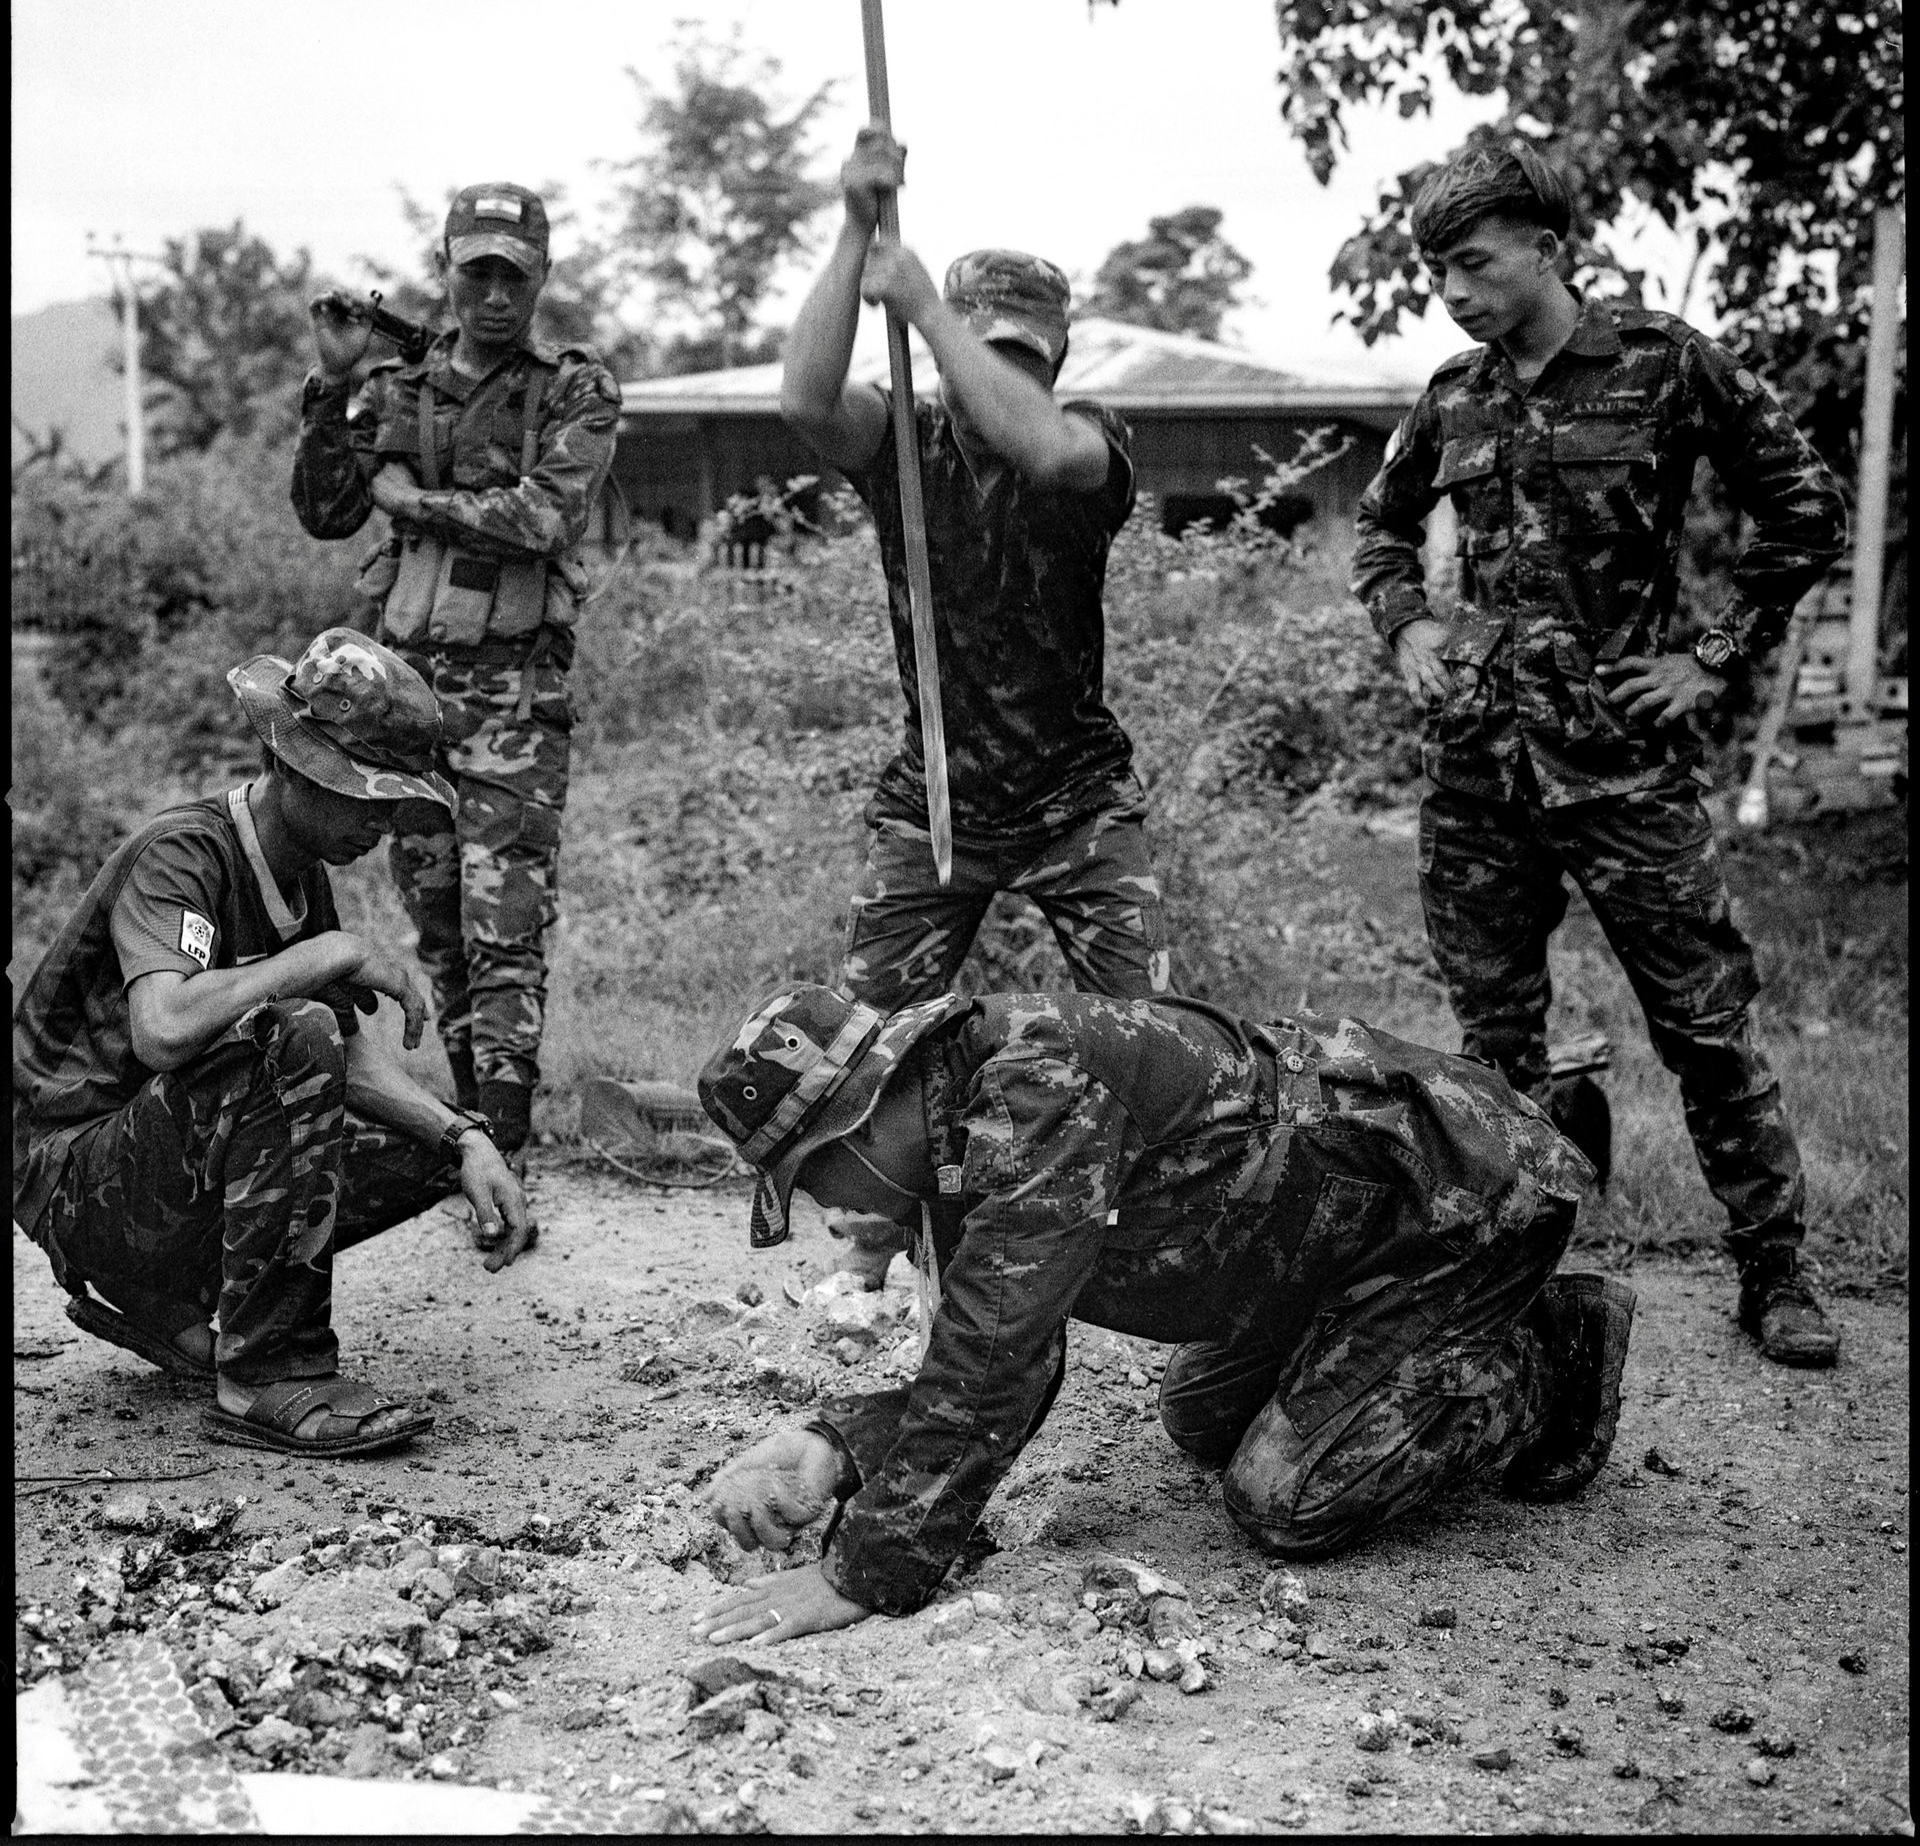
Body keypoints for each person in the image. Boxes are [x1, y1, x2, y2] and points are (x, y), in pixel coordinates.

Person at [681, 981, 1630, 1646]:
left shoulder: (1031, 1089)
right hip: (1328, 1252)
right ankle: (1395, 1353)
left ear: (852, 1124)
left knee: (1287, 1499)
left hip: (1460, 1205)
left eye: (809, 1181)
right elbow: (995, 1361)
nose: (826, 1211)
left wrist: (861, 1575)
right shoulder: (946, 1137)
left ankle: (1549, 1357)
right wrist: (839, 1444)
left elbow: (996, 1361)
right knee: (1200, 1419)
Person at [1350, 142, 1849, 1368]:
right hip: (1478, 776)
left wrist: (1715, 655)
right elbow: (1379, 528)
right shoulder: (1456, 393)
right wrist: (1409, 622)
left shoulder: (1663, 364)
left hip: (1623, 768)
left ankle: (1776, 1273)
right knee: (1492, 1046)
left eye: (1473, 264)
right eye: (1437, 271)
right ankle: (1512, 1275)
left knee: (1706, 1026)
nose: (1453, 291)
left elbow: (1806, 507)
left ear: (1549, 251)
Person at [12, 630, 535, 1458]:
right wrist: (322, 956)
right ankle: (265, 1373)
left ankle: (167, 1296)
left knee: (425, 1140)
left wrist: (465, 1138)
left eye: (392, 798)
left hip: (150, 1159)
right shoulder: (182, 853)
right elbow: (165, 1027)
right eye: (363, 794)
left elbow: (348, 1056)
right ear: (291, 768)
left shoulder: (299, 874)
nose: (385, 819)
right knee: (295, 1032)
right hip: (71, 1174)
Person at [781, 128, 1172, 1018]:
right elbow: (804, 400)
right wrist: (854, 230)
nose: (991, 375)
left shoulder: (1086, 442)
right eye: (978, 349)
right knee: (864, 1048)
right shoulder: (903, 446)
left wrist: (929, 312)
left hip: (1078, 805)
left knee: (1160, 1050)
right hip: (937, 800)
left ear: (1056, 364)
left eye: (1019, 357)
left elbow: (1043, 446)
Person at [291, 183, 623, 1157]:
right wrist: (331, 389)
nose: (491, 293)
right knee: (438, 917)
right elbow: (327, 511)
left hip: (517, 696)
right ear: (447, 269)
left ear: (540, 278)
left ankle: (508, 1133)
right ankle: (476, 1126)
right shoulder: (398, 388)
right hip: (409, 701)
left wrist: (415, 498)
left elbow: (546, 518)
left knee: (507, 922)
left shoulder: (571, 389)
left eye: (510, 275)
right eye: (474, 271)